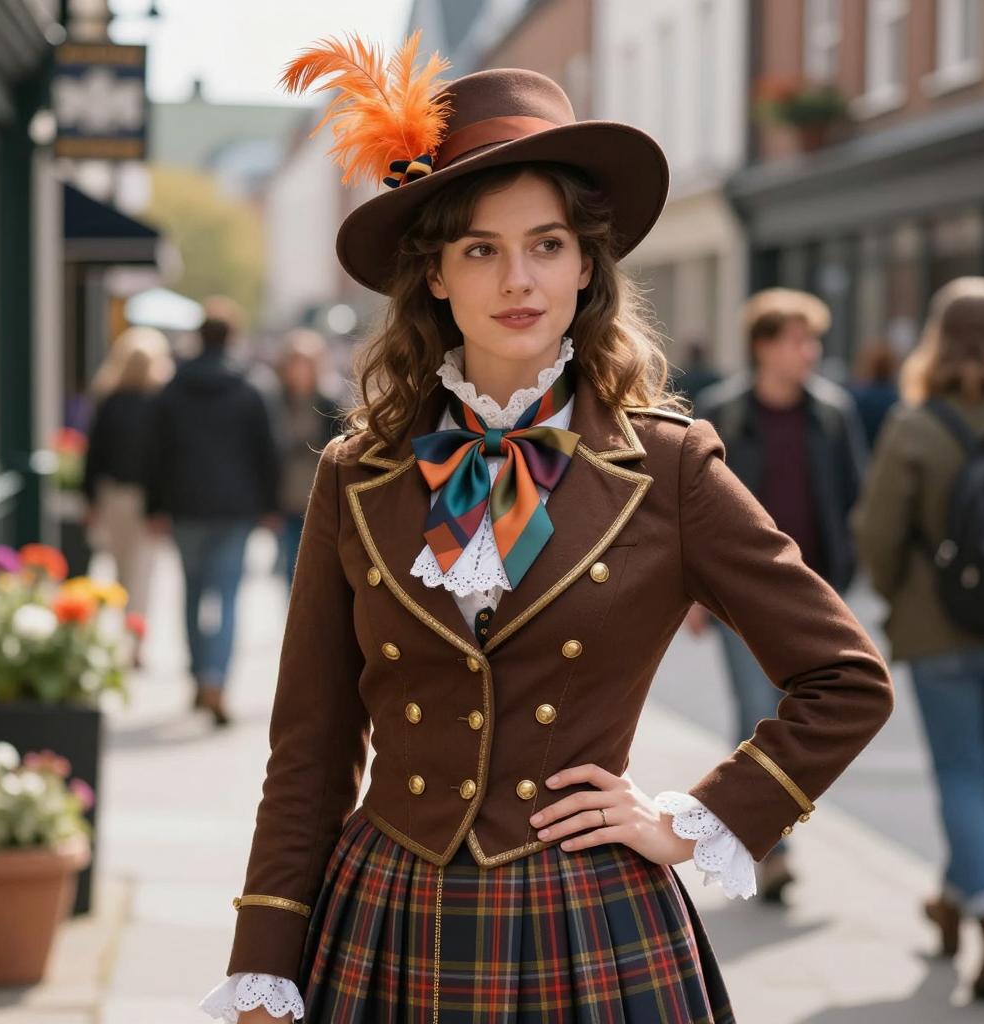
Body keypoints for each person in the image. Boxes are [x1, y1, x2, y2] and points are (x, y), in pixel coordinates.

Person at [200, 32, 893, 1023]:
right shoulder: (356, 475)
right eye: (480, 248)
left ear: (583, 268)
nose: (517, 278)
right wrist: (265, 958)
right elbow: (309, 745)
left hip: (590, 918)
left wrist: (693, 819)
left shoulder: (669, 465)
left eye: (546, 245)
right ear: (434, 274)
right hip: (388, 915)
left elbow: (845, 677)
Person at [688, 288, 869, 902]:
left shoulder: (833, 413)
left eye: (813, 340)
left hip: (815, 595)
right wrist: (692, 594)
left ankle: (768, 835)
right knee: (754, 716)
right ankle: (773, 850)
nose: (810, 352)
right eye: (798, 339)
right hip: (741, 599)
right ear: (764, 345)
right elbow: (695, 516)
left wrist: (848, 579)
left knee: (809, 715)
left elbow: (854, 498)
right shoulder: (723, 414)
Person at [852, 276, 984, 1001]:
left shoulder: (915, 426)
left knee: (960, 776)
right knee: (983, 780)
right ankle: (954, 900)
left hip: (938, 629)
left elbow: (876, 535)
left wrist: (898, 596)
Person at [145, 297, 281, 727]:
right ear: (232, 337)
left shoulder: (172, 387)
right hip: (236, 509)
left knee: (191, 594)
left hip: (185, 507)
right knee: (226, 597)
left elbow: (155, 453)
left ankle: (196, 679)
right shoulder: (253, 386)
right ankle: (216, 680)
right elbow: (268, 450)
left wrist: (155, 506)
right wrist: (270, 505)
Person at [82, 326, 174, 667]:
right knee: (142, 573)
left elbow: (93, 456)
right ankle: (134, 642)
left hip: (111, 496)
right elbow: (165, 461)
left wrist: (89, 500)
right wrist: (162, 507)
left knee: (119, 570)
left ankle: (125, 637)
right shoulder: (160, 405)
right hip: (144, 499)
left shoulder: (108, 402)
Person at [274, 328, 344, 587]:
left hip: (319, 497)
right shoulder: (275, 401)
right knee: (289, 568)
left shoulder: (329, 404)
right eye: (295, 362)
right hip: (285, 497)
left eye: (306, 363)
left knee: (318, 570)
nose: (300, 370)